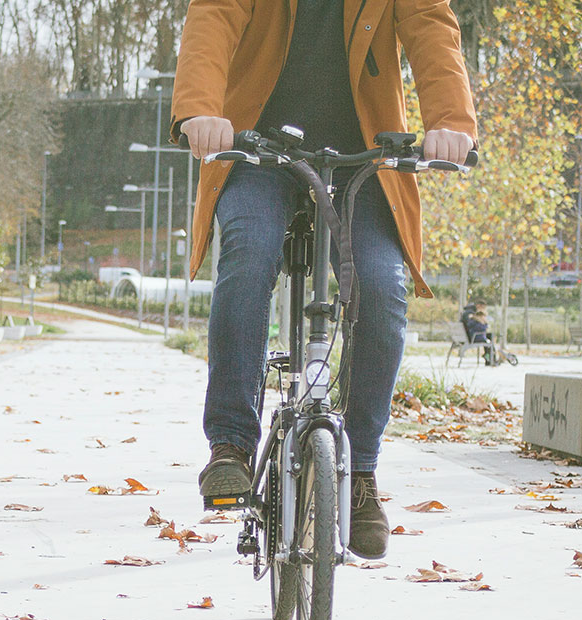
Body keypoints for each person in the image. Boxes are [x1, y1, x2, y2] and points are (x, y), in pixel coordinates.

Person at [174, 0, 476, 559]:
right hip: (258, 148)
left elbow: (432, 26)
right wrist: (199, 109)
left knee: (383, 291)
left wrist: (451, 122)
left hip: (364, 154)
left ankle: (358, 473)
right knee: (248, 254)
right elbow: (214, 14)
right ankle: (232, 446)